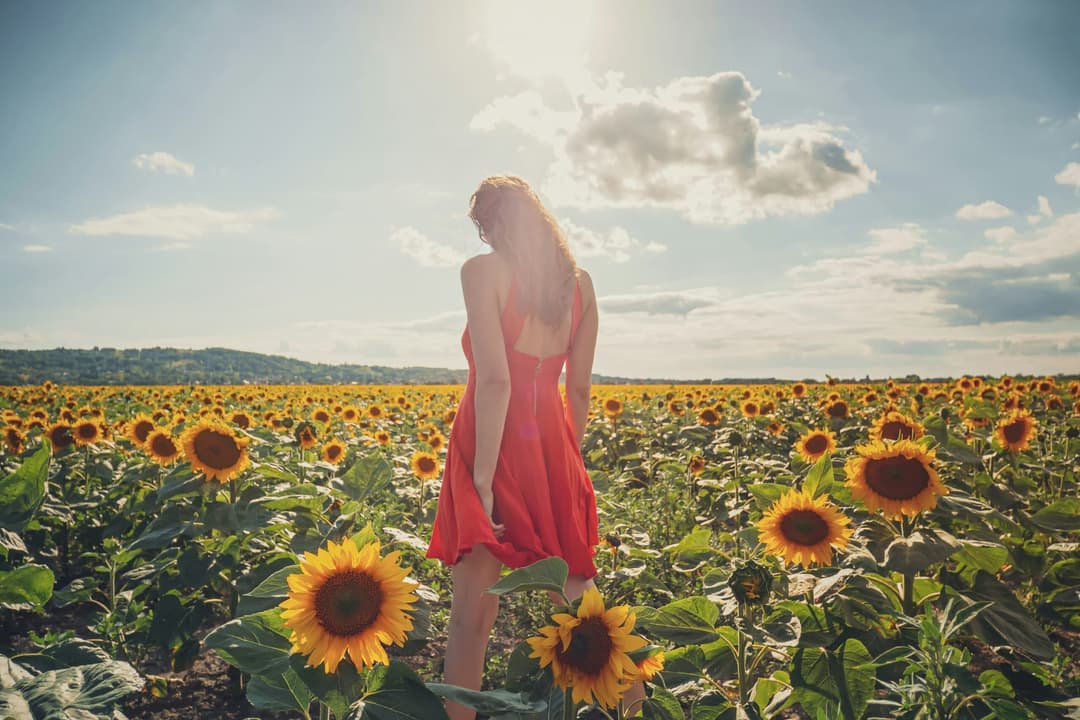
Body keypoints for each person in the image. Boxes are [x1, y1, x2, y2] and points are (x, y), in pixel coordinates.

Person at [424, 175, 643, 718]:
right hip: (553, 443)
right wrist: (568, 458)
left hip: (490, 440)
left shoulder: (483, 271)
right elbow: (582, 387)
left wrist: (482, 479)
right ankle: (641, 711)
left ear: (489, 223)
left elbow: (496, 381)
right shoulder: (580, 285)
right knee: (581, 603)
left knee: (471, 619)